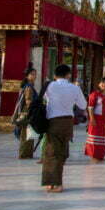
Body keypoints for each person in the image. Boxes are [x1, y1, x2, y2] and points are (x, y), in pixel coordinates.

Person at [41, 64, 87, 193]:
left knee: (51, 152)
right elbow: (83, 105)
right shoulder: (74, 88)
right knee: (61, 152)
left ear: (55, 75)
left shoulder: (49, 86)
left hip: (53, 122)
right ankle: (55, 182)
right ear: (68, 75)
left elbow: (45, 99)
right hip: (67, 122)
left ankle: (53, 183)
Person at [85, 78, 105, 162]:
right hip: (96, 119)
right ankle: (94, 157)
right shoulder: (94, 94)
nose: (104, 84)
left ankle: (100, 156)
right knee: (95, 139)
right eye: (102, 83)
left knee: (103, 139)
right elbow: (90, 108)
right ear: (99, 84)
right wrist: (92, 119)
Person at [13, 70, 39, 159]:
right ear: (27, 76)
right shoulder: (28, 87)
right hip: (27, 112)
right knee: (26, 134)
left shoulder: (29, 86)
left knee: (29, 133)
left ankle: (28, 153)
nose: (34, 76)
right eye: (32, 74)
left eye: (35, 74)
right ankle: (24, 153)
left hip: (28, 112)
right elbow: (28, 101)